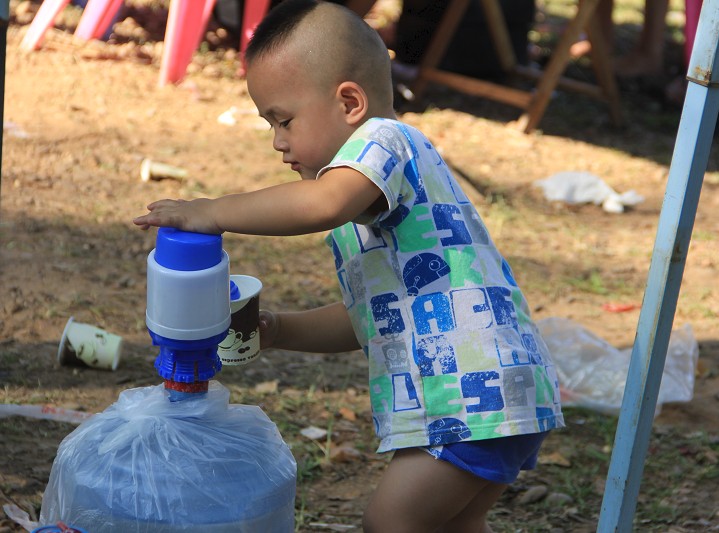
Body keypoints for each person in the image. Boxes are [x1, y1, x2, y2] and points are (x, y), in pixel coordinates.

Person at [133, 1, 565, 531]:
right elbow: (371, 315)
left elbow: (321, 204)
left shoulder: (384, 142)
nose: (278, 142)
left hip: (476, 395)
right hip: (493, 391)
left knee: (390, 522)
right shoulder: (372, 191)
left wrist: (212, 212)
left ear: (350, 102)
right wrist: (281, 329)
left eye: (285, 120)